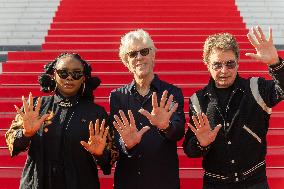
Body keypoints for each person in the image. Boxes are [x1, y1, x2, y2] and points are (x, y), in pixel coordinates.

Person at [182, 26, 284, 189]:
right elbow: (189, 149)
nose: (224, 70)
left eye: (230, 64)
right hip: (215, 184)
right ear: (207, 64)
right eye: (217, 65)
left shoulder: (256, 87)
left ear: (238, 62)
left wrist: (275, 63)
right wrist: (201, 143)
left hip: (254, 182)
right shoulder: (198, 100)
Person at [5, 53, 117, 189]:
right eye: (63, 73)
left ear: (83, 78)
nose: (69, 77)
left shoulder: (96, 113)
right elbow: (11, 142)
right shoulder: (35, 107)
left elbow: (110, 160)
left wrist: (100, 153)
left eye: (76, 73)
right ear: (54, 74)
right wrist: (26, 134)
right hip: (37, 183)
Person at [109, 29, 186, 189]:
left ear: (152, 55)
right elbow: (116, 137)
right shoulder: (117, 97)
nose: (139, 57)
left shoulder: (172, 92)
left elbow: (178, 132)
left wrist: (166, 126)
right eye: (132, 54)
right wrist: (127, 144)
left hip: (163, 181)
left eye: (144, 51)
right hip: (128, 181)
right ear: (126, 61)